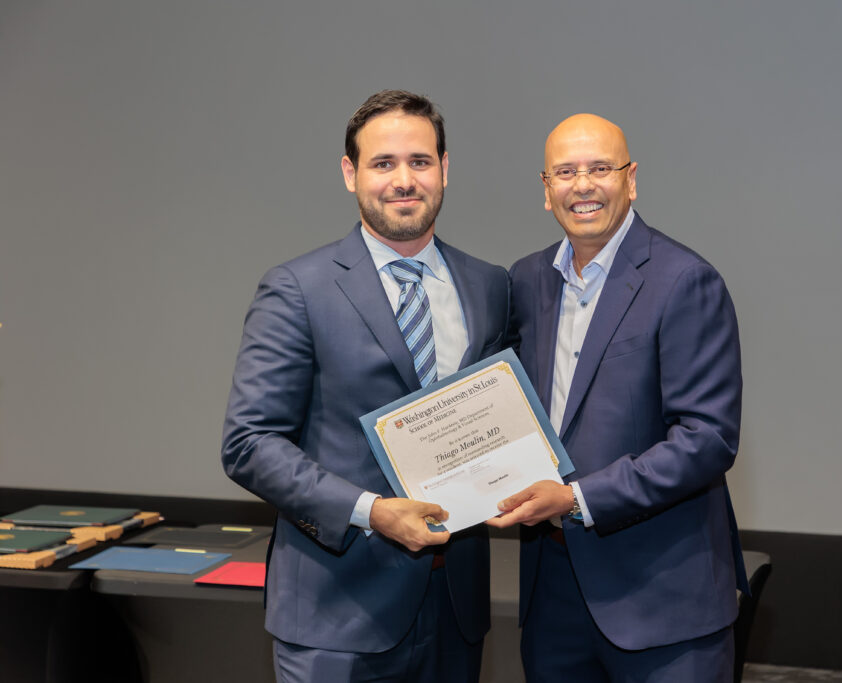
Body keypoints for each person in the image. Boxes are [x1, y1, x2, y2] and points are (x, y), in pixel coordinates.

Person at [222, 90, 510, 683]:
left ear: (445, 168)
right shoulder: (298, 289)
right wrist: (372, 512)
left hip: (455, 613)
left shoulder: (490, 287)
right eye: (384, 164)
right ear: (350, 173)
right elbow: (249, 443)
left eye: (420, 161)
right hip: (336, 617)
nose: (404, 180)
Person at [487, 113, 748, 683]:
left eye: (600, 168)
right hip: (551, 589)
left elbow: (707, 439)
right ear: (546, 189)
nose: (583, 185)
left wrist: (576, 497)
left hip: (662, 597)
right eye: (566, 172)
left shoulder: (684, 280)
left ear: (631, 180)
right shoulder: (527, 281)